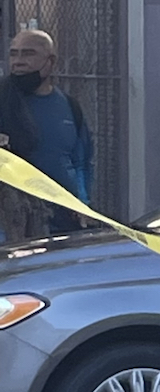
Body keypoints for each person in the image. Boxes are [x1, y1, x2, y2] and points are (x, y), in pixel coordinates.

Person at [0, 28, 94, 240]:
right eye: (13, 54)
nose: (18, 61)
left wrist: (82, 202)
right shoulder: (4, 99)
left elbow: (82, 162)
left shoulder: (69, 107)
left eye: (28, 53)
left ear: (50, 61)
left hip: (63, 225)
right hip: (12, 228)